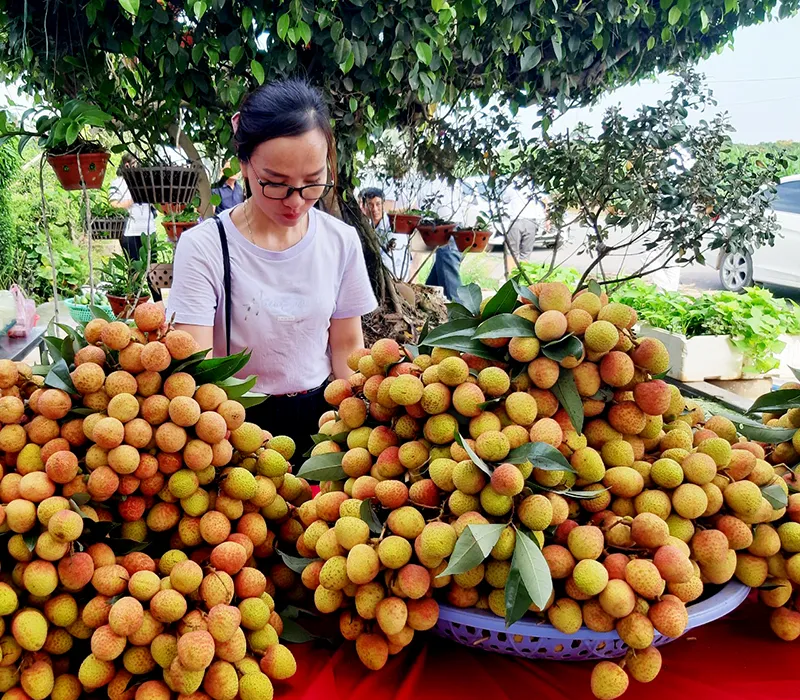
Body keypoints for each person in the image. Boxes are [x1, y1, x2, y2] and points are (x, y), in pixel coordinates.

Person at [167, 79, 377, 454]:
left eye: (313, 182)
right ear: (244, 164)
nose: (295, 201)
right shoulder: (205, 247)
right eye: (276, 183)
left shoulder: (340, 241)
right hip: (233, 424)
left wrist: (353, 428)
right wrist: (223, 442)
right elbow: (196, 365)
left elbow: (347, 345)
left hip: (322, 422)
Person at [109, 154, 157, 261]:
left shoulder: (145, 181)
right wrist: (133, 199)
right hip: (129, 232)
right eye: (136, 163)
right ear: (127, 165)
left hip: (149, 229)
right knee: (134, 265)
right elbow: (113, 204)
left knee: (153, 266)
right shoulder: (118, 183)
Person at [360, 187, 411, 280]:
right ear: (363, 207)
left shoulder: (394, 227)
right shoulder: (365, 226)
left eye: (378, 204)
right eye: (370, 205)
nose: (374, 209)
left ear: (383, 204)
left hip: (393, 278)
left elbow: (386, 262)